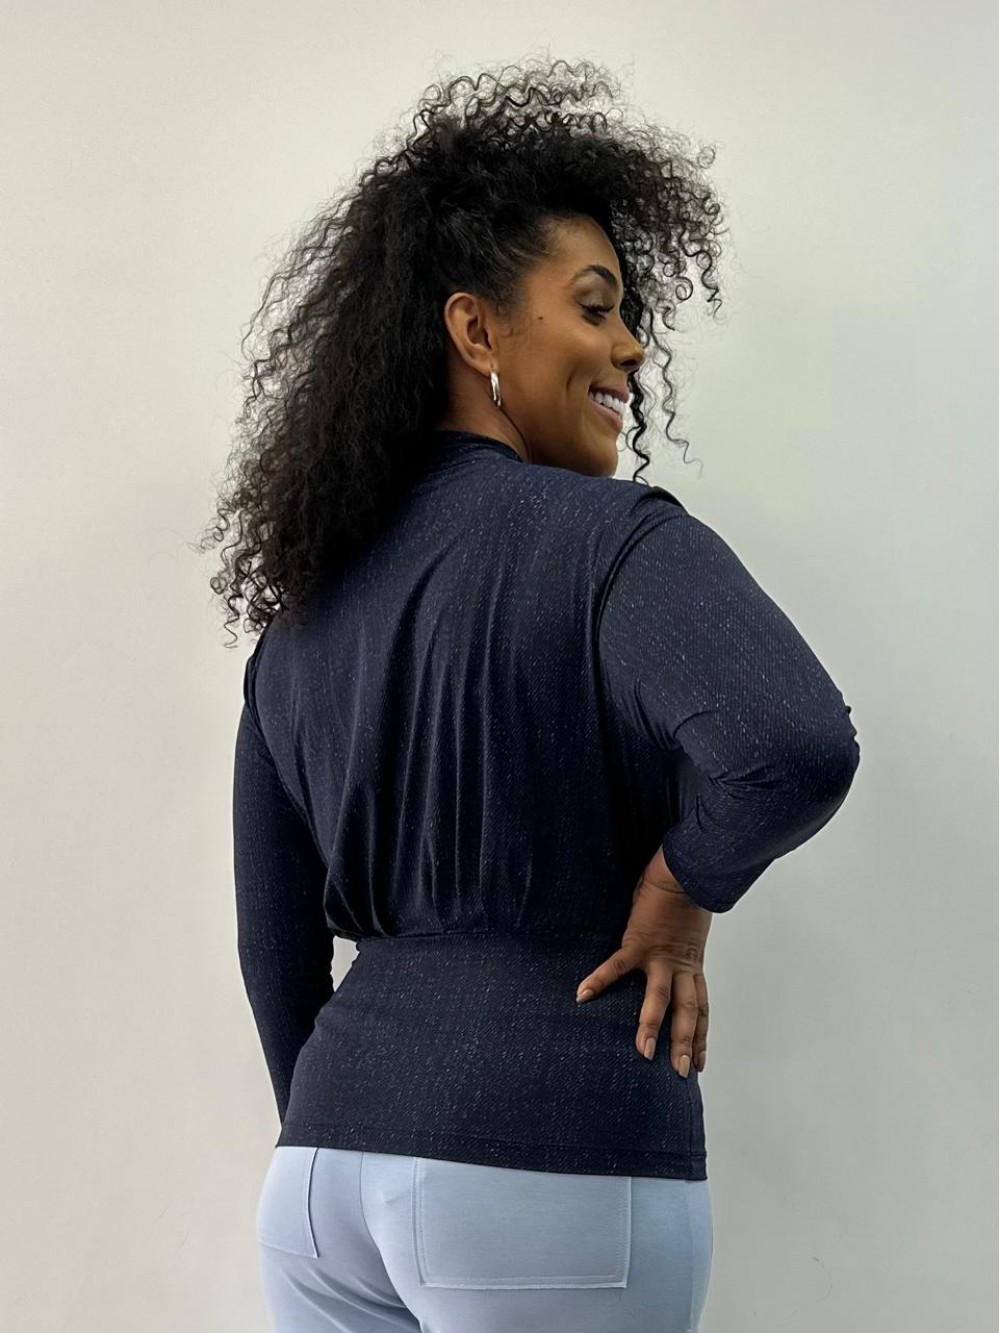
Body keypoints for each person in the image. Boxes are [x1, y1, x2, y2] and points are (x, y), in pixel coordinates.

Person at [203, 57, 861, 1332]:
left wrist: (350, 1119)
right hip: (552, 1151)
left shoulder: (299, 619)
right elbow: (787, 744)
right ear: (475, 331)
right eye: (596, 305)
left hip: (321, 1183)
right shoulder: (610, 541)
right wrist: (677, 895)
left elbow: (273, 943)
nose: (630, 347)